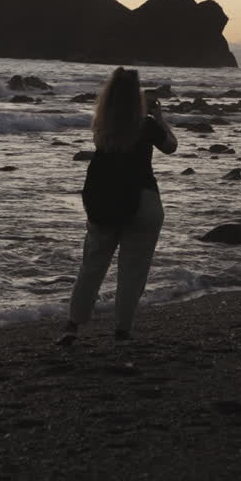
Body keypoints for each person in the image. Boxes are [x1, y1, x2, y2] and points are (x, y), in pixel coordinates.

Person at [57, 67, 177, 345]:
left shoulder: (101, 125)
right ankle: (122, 330)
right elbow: (171, 146)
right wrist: (159, 119)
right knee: (133, 270)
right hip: (143, 200)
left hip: (104, 199)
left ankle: (73, 326)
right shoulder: (146, 125)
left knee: (92, 265)